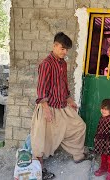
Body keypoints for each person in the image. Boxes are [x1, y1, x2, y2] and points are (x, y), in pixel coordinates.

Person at [30, 32, 88, 179]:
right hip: (47, 107)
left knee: (79, 126)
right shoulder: (46, 64)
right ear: (54, 46)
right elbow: (41, 89)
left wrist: (70, 100)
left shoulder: (63, 63)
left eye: (66, 49)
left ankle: (78, 155)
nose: (64, 52)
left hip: (62, 106)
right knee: (41, 139)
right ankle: (38, 171)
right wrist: (46, 110)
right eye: (62, 48)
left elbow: (63, 85)